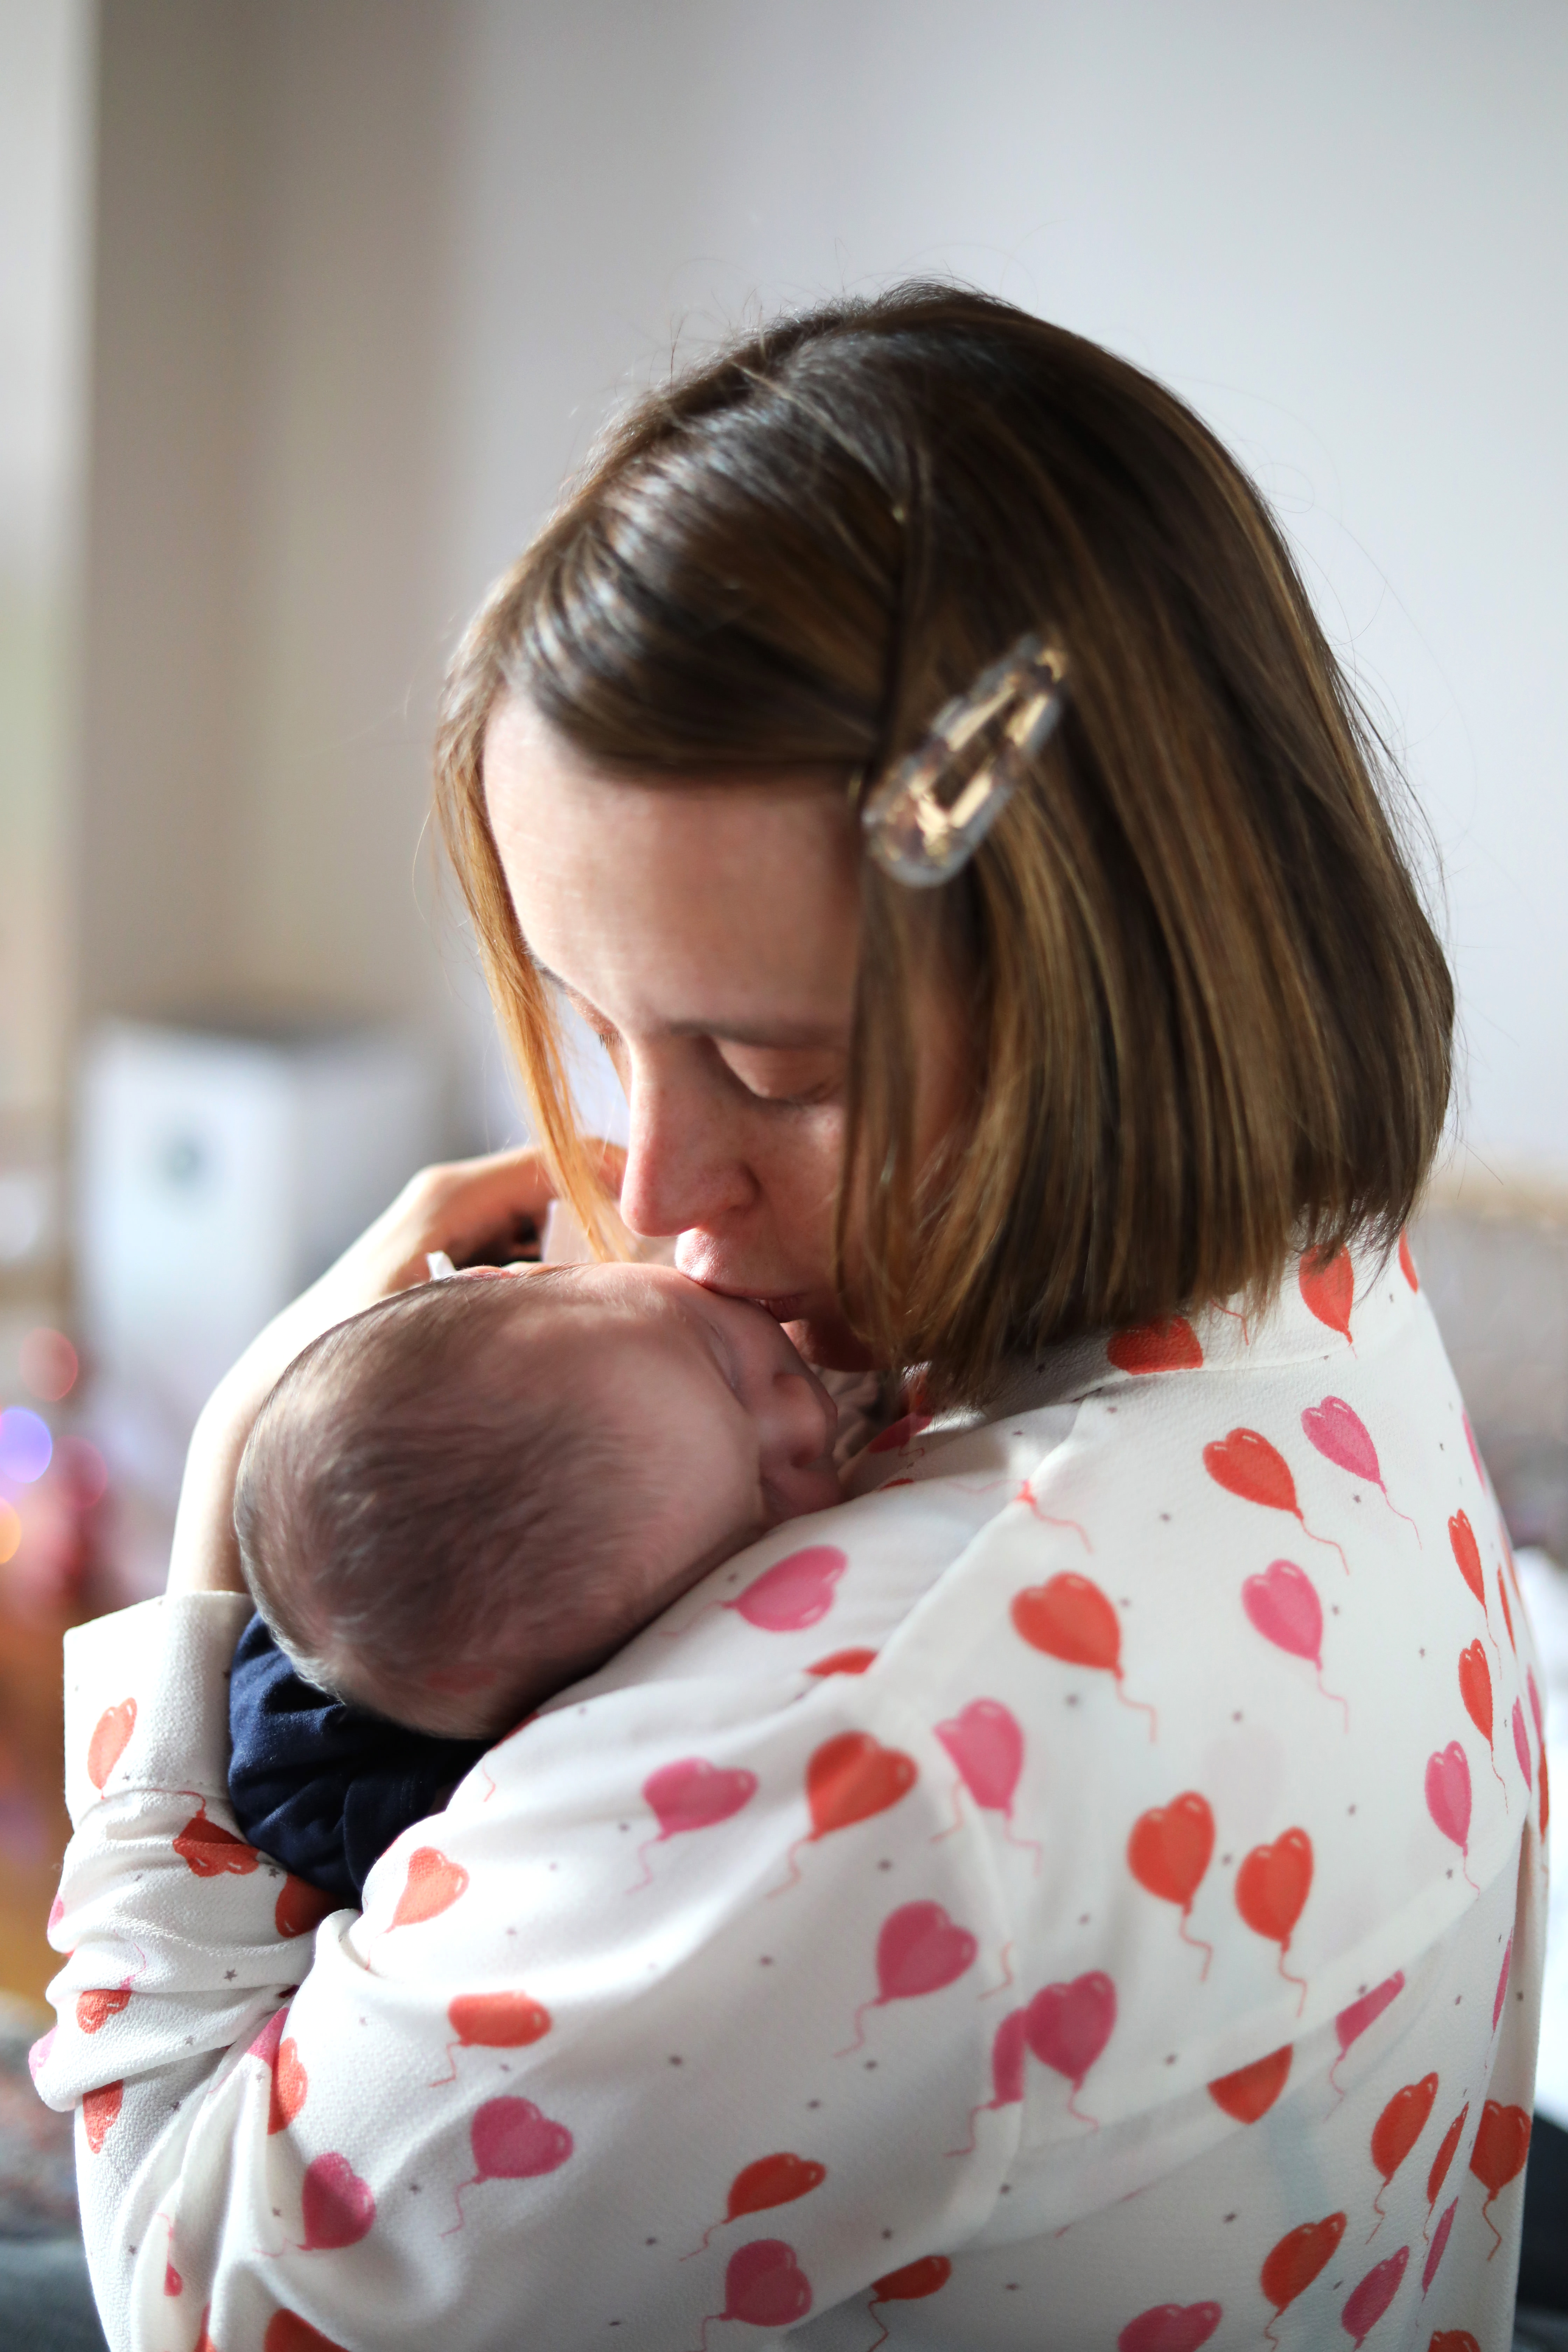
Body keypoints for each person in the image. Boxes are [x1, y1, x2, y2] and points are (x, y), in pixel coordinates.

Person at [35, 285, 1544, 2352]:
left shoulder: (872, 1722)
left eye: (775, 1065)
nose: (649, 1190)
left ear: (1112, 985)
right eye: (594, 1023)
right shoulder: (1316, 1294)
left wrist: (219, 1509)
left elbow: (200, 2299)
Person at [224, 1258, 843, 1902]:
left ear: (503, 1272)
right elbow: (286, 1805)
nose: (807, 1420)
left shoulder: (505, 1340)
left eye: (722, 1360)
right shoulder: (355, 1758)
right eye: (760, 1507)